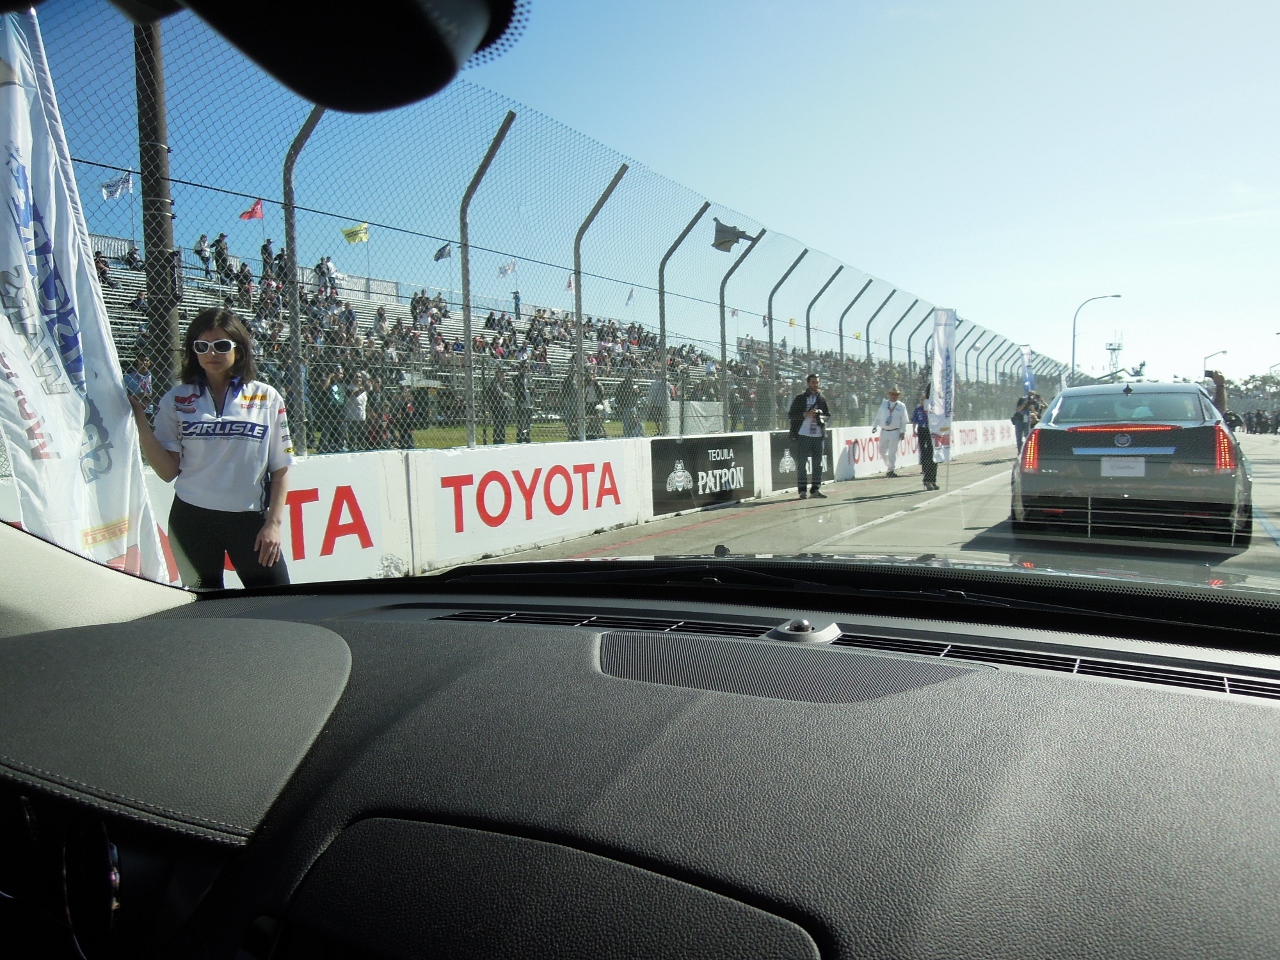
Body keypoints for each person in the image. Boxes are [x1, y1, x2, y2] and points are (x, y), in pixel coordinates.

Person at [130, 307, 293, 589]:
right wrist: (141, 423)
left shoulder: (267, 397)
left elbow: (281, 469)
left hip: (250, 523)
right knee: (205, 611)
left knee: (279, 604)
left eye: (220, 345)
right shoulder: (176, 398)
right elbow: (168, 471)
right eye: (202, 346)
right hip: (192, 520)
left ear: (239, 350)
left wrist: (274, 524)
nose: (211, 353)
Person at [787, 373, 830, 499]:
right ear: (808, 383)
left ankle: (815, 489)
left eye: (817, 382)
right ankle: (802, 491)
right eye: (813, 382)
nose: (815, 385)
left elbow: (828, 416)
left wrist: (819, 415)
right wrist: (806, 414)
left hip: (818, 435)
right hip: (803, 434)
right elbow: (791, 415)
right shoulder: (800, 398)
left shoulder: (822, 398)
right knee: (802, 463)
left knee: (818, 464)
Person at [872, 385, 907, 478]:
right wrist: (875, 426)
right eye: (892, 394)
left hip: (895, 431)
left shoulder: (901, 406)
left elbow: (904, 420)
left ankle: (890, 470)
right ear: (889, 395)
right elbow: (878, 416)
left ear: (898, 395)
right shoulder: (884, 404)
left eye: (896, 394)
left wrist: (903, 431)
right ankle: (889, 465)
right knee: (881, 450)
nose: (894, 396)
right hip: (884, 431)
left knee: (892, 451)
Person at [912, 390, 938, 491]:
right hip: (922, 430)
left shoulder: (933, 409)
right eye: (923, 400)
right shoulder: (918, 409)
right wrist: (914, 429)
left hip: (932, 430)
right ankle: (927, 480)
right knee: (926, 454)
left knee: (933, 455)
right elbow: (914, 420)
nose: (925, 402)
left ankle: (933, 479)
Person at [484, 366, 512, 444]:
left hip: (503, 405)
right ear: (497, 373)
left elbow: (507, 393)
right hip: (496, 406)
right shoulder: (494, 382)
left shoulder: (503, 383)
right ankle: (497, 440)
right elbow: (500, 393)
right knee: (498, 425)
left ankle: (501, 440)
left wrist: (506, 394)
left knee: (502, 425)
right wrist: (505, 394)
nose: (503, 374)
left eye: (503, 373)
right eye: (501, 373)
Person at [515, 361, 534, 443]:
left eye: (527, 367)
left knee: (528, 420)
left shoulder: (529, 378)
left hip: (529, 400)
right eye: (525, 367)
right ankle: (520, 436)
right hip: (521, 401)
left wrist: (532, 389)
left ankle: (527, 435)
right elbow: (518, 389)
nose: (526, 369)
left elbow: (531, 387)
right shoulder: (517, 377)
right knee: (521, 419)